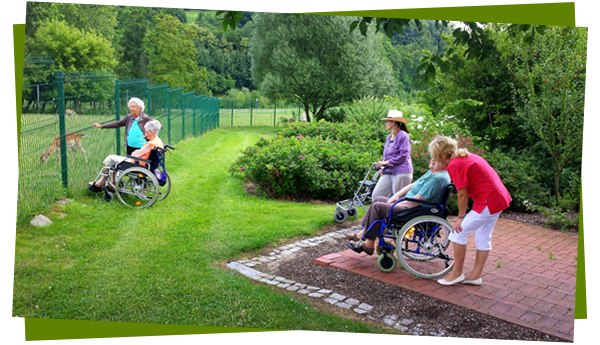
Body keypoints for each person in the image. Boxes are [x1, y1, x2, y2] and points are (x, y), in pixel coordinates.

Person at [428, 136, 512, 286]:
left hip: (488, 201)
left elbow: (462, 194)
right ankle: (475, 276)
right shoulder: (465, 157)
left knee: (458, 232)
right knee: (483, 236)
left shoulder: (455, 164)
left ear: (440, 154)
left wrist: (461, 217)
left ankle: (457, 274)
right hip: (497, 198)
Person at [346, 156, 451, 255]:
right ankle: (363, 233)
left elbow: (418, 200)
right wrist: (397, 195)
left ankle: (369, 244)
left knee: (378, 207)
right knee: (378, 199)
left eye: (437, 158)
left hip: (415, 209)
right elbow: (413, 184)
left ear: (445, 164)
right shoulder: (433, 173)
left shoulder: (437, 179)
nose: (432, 159)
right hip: (411, 205)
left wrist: (398, 203)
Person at [89, 120, 164, 192]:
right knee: (114, 160)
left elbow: (135, 154)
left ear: (151, 132)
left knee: (110, 158)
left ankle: (105, 181)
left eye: (146, 131)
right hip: (146, 164)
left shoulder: (150, 144)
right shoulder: (158, 141)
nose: (145, 133)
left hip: (138, 164)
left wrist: (136, 151)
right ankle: (110, 181)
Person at [371, 110, 413, 200]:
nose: (385, 123)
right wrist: (383, 166)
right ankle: (381, 213)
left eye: (386, 121)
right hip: (389, 171)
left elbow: (403, 156)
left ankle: (393, 214)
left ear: (393, 122)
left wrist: (385, 163)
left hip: (402, 172)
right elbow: (387, 156)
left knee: (398, 199)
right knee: (376, 196)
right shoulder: (389, 137)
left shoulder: (403, 136)